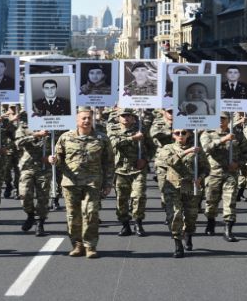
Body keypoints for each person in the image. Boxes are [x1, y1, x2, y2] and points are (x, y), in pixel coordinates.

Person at [49, 107, 114, 258]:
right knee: (73, 216)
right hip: (71, 183)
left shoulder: (102, 138)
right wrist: (54, 160)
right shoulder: (65, 137)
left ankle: (90, 245)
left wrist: (108, 183)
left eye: (89, 118)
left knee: (90, 213)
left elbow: (109, 162)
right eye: (83, 118)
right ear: (76, 120)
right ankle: (77, 244)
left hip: (92, 182)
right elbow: (59, 158)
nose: (86, 121)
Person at [160, 128, 209, 257]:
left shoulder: (197, 149)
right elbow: (170, 161)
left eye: (183, 133)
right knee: (175, 215)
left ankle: (188, 235)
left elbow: (206, 168)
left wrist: (200, 178)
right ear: (173, 135)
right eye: (177, 133)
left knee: (191, 216)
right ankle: (178, 244)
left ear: (188, 134)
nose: (180, 135)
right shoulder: (167, 148)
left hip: (190, 187)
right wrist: (188, 151)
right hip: (173, 187)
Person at [200, 112, 247, 241]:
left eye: (223, 118)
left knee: (230, 201)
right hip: (213, 173)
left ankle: (228, 230)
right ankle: (211, 222)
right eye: (218, 118)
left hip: (231, 174)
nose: (220, 121)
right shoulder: (207, 133)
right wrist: (223, 139)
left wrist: (238, 164)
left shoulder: (237, 134)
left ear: (228, 120)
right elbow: (206, 148)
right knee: (211, 202)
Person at [108, 108, 149, 237]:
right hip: (120, 169)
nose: (126, 118)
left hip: (137, 169)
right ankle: (125, 225)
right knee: (122, 199)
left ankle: (138, 222)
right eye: (123, 115)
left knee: (139, 195)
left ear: (133, 117)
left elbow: (152, 146)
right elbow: (114, 144)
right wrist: (132, 138)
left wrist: (145, 160)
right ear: (118, 117)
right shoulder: (113, 130)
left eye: (129, 115)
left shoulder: (141, 129)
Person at [15, 117, 52, 236]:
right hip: (28, 166)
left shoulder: (54, 123)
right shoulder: (24, 126)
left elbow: (60, 144)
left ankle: (40, 223)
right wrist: (36, 135)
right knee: (24, 194)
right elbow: (18, 143)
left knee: (43, 197)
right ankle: (30, 215)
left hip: (44, 167)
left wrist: (52, 156)